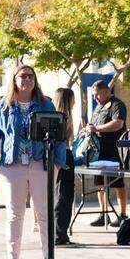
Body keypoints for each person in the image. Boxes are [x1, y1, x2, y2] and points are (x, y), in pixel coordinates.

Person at [0, 65, 67, 259]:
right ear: (14, 79)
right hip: (12, 165)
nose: (27, 80)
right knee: (15, 213)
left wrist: (58, 162)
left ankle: (49, 258)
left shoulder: (45, 104)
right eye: (22, 76)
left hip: (41, 163)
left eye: (30, 76)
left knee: (44, 212)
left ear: (35, 80)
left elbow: (59, 134)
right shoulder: (3, 105)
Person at [81, 79, 128, 227]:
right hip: (99, 151)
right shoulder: (98, 107)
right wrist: (88, 128)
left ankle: (122, 215)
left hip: (114, 150)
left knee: (118, 183)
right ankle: (103, 214)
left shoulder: (117, 105)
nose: (95, 98)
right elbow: (94, 124)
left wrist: (97, 129)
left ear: (107, 91)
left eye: (97, 95)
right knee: (100, 183)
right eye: (94, 95)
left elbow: (118, 123)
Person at [53, 87, 76, 246]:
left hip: (59, 157)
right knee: (64, 196)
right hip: (64, 157)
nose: (75, 102)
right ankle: (60, 235)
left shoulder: (55, 116)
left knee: (59, 195)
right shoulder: (64, 117)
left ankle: (59, 234)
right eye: (73, 98)